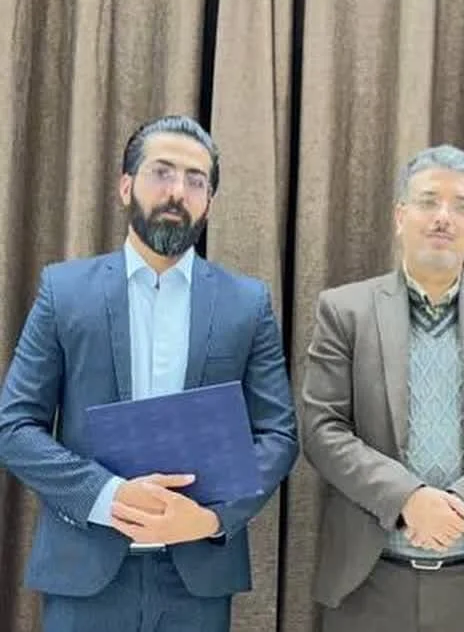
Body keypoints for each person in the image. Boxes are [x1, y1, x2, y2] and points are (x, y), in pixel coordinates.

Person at [0, 114, 298, 632]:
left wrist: (210, 518)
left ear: (209, 203)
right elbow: (14, 427)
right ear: (125, 186)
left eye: (196, 180)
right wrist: (107, 495)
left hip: (197, 577)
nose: (177, 191)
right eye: (162, 172)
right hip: (85, 572)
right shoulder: (64, 292)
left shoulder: (248, 304)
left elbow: (278, 436)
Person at [301, 144, 464, 632]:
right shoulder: (344, 311)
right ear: (400, 216)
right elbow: (321, 429)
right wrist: (407, 498)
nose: (443, 217)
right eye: (428, 201)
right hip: (370, 582)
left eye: (460, 206)